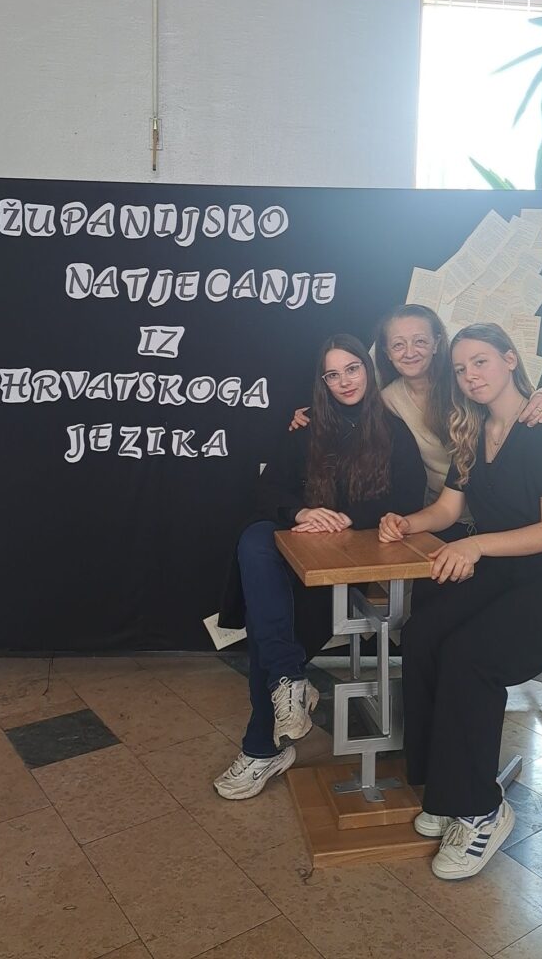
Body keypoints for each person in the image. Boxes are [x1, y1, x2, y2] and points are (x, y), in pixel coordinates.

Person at [378, 322, 542, 880]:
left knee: (471, 657)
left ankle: (480, 810)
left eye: (481, 362)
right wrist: (405, 523)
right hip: (507, 571)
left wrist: (473, 545)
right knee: (422, 634)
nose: (470, 376)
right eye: (461, 368)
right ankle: (445, 790)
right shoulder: (470, 431)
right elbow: (448, 510)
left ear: (510, 360)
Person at [214, 333, 426, 801]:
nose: (344, 381)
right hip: (299, 553)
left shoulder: (393, 430)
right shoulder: (306, 426)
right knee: (255, 538)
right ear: (322, 381)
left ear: (368, 370)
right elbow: (268, 490)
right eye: (333, 374)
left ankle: (265, 738)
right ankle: (290, 683)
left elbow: (409, 498)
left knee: (268, 624)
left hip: (351, 563)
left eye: (352, 369)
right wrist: (302, 512)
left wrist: (349, 517)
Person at [291, 303, 542, 527]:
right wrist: (309, 416)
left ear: (437, 344)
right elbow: (348, 409)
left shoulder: (466, 381)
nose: (410, 352)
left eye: (420, 341)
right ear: (386, 353)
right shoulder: (388, 400)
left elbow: (514, 398)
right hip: (439, 513)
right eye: (398, 345)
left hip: (501, 512)